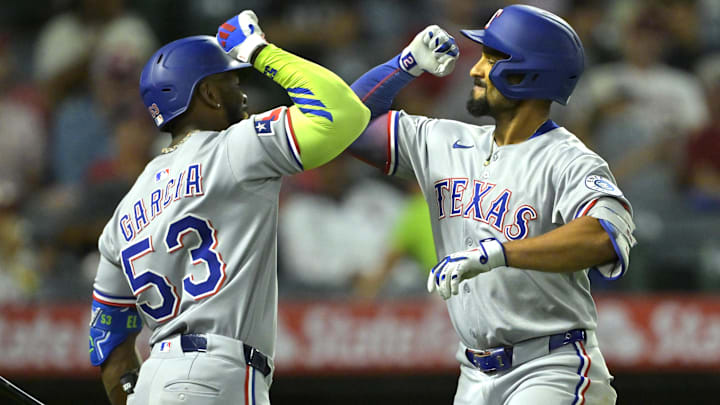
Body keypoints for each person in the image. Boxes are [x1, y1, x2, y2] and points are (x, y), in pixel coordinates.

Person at [349, 5, 636, 404]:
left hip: (550, 366)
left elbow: (604, 236)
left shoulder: (570, 159)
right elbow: (343, 125)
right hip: (473, 374)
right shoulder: (444, 141)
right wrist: (406, 64)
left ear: (529, 72)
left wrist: (497, 254)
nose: (475, 69)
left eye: (493, 58)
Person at [87, 10, 370, 405]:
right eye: (233, 81)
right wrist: (259, 51)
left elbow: (111, 348)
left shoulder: (124, 211)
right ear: (208, 94)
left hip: (156, 380)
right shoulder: (236, 148)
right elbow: (345, 114)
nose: (243, 93)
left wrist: (134, 397)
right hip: (215, 378)